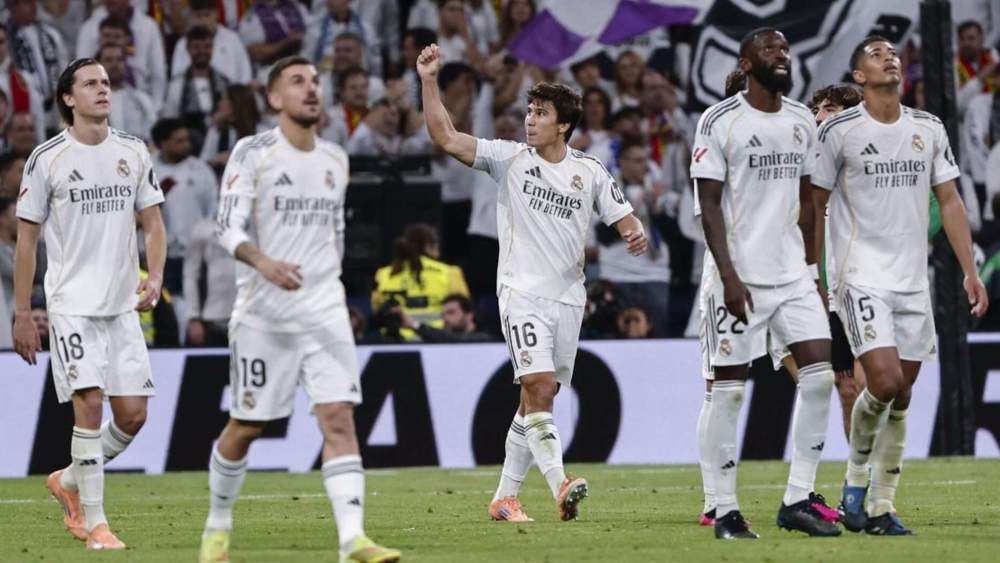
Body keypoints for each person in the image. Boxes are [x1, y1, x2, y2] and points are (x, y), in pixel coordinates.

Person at [418, 42, 648, 522]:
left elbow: (623, 216)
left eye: (540, 113)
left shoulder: (590, 172)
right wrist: (428, 80)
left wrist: (633, 233)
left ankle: (504, 498)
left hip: (568, 299)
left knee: (535, 399)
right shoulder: (509, 159)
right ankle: (560, 483)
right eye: (529, 111)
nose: (529, 120)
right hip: (520, 293)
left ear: (562, 124)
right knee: (539, 385)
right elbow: (446, 137)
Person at [198, 55, 399, 563]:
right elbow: (226, 227)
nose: (311, 90)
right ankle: (217, 526)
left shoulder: (336, 158)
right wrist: (263, 262)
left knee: (339, 417)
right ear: (273, 98)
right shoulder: (253, 152)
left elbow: (334, 235)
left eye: (315, 82)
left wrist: (334, 294)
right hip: (264, 313)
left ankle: (352, 539)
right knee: (247, 426)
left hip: (324, 310)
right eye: (297, 82)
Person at [813, 35, 989, 536]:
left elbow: (950, 200)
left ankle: (880, 506)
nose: (888, 56)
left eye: (892, 52)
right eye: (875, 53)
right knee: (885, 382)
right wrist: (813, 273)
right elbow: (813, 204)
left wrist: (969, 271)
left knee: (904, 393)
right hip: (860, 276)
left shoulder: (927, 127)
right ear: (859, 77)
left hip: (912, 280)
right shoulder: (840, 131)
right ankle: (854, 483)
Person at [12, 57, 167, 550]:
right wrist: (22, 312)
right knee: (90, 404)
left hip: (121, 304)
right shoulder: (47, 158)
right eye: (90, 84)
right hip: (72, 302)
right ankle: (96, 524)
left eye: (105, 82)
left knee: (134, 416)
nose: (102, 90)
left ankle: (69, 480)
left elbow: (154, 223)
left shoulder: (133, 151)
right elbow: (27, 242)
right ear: (68, 98)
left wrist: (156, 275)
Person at [691, 28, 839, 539]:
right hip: (739, 277)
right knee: (728, 393)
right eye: (769, 49)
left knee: (820, 376)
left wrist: (815, 275)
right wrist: (729, 276)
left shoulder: (802, 121)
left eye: (785, 48)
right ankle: (724, 509)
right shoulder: (719, 120)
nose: (782, 55)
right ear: (746, 63)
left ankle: (798, 497)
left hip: (792, 274)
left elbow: (807, 207)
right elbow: (708, 205)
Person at [150, 118, 218, 294]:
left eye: (187, 140)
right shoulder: (146, 170)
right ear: (163, 143)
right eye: (179, 141)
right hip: (160, 257)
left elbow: (212, 210)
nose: (187, 145)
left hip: (196, 253)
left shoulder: (201, 170)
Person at [370, 223, 471, 341]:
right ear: (428, 246)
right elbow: (465, 310)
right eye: (436, 243)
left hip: (395, 339)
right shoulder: (449, 272)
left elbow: (376, 309)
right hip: (438, 337)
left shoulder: (383, 274)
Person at [76, 1, 167, 112]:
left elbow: (158, 73)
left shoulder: (148, 26)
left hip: (141, 100)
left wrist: (154, 109)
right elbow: (81, 71)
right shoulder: (89, 27)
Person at [171, 0, 253, 85]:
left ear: (216, 14)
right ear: (192, 17)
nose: (203, 20)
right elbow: (177, 77)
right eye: (198, 16)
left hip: (230, 94)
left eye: (207, 15)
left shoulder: (233, 40)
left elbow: (245, 75)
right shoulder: (182, 44)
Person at [96, 42, 156, 141]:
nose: (115, 64)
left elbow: (151, 137)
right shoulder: (87, 102)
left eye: (119, 60)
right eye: (108, 60)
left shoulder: (141, 100)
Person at [396, 292, 494, 342]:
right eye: (443, 315)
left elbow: (455, 340)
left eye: (451, 312)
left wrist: (415, 325)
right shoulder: (443, 339)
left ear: (469, 315)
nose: (445, 318)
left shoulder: (484, 339)